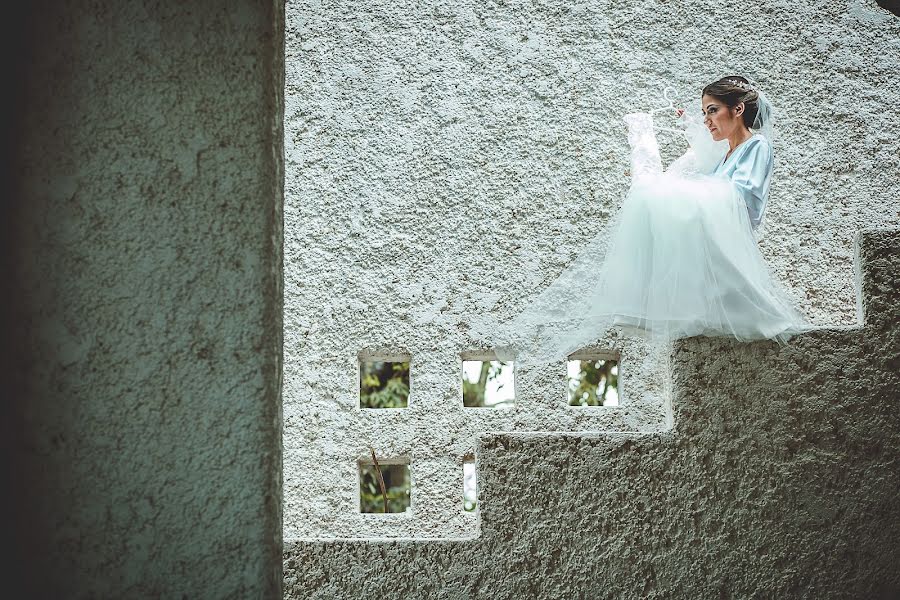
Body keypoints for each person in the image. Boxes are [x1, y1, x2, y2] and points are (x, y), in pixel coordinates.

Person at [493, 76, 813, 368]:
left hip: (730, 229)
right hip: (715, 229)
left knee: (656, 194)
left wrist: (683, 192)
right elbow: (707, 178)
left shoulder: (756, 145)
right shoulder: (724, 154)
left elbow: (741, 196)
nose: (707, 120)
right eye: (704, 113)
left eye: (713, 111)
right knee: (650, 199)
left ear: (738, 109)